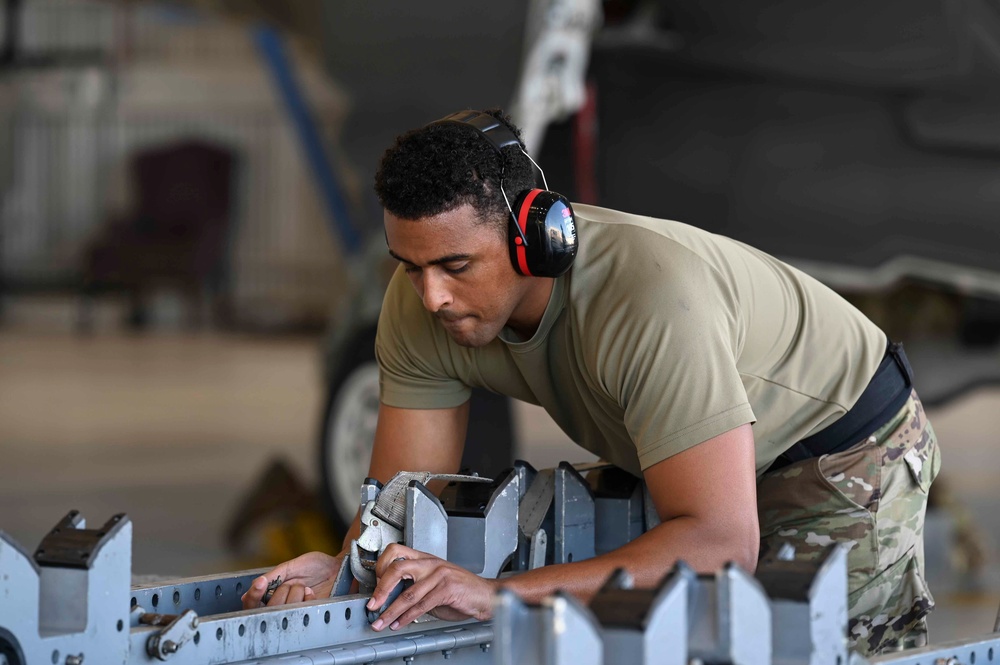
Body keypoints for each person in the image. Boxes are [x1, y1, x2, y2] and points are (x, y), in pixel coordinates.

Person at [242, 108, 941, 655]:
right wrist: (340, 565)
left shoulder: (648, 300)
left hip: (840, 447)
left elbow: (720, 542)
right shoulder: (418, 301)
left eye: (455, 266)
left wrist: (496, 593)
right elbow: (400, 503)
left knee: (804, 648)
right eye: (410, 264)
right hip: (700, 454)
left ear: (535, 238)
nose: (431, 298)